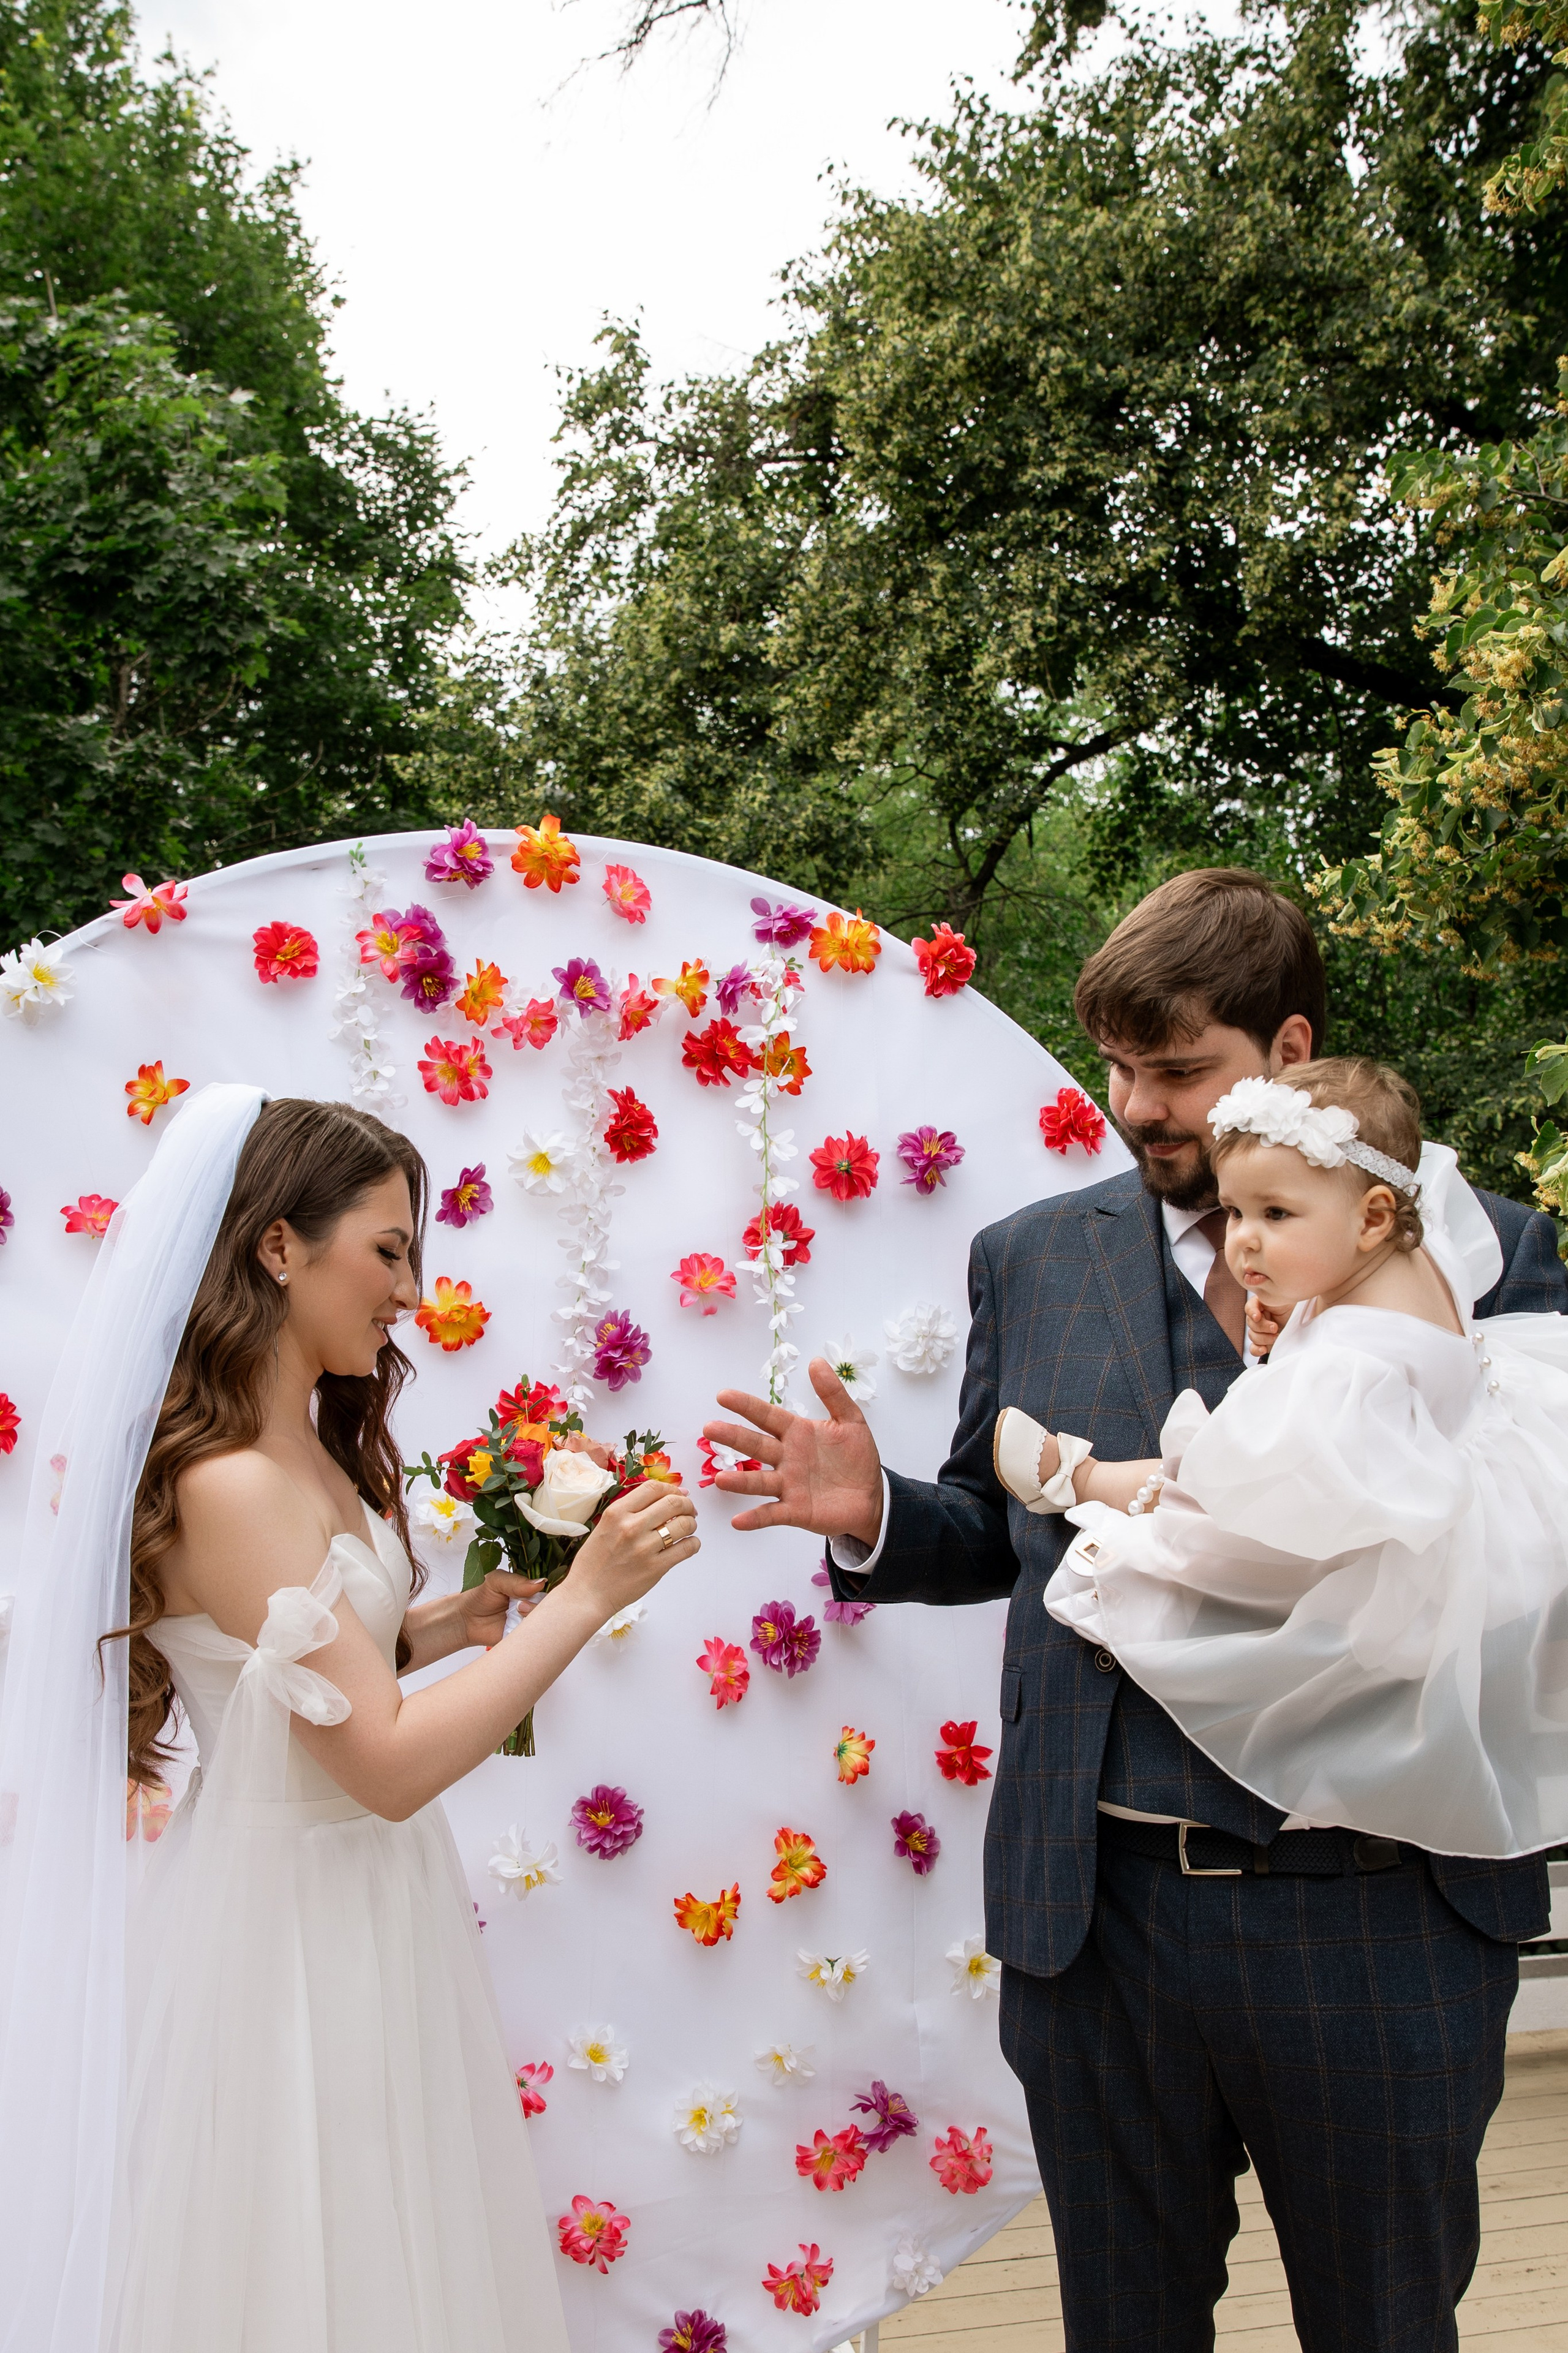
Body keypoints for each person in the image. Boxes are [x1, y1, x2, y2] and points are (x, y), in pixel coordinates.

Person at [703, 869, 1568, 2353]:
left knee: (1384, 2329)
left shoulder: (1475, 1251)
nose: (1136, 1106)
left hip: (1377, 1907)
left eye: (1176, 1069)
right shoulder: (1029, 1256)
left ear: (1286, 1049)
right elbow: (1007, 1530)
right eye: (1113, 1067)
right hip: (1102, 1915)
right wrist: (881, 1513)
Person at [0, 1088, 699, 2353]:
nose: (409, 1289)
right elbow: (378, 1762)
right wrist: (587, 1598)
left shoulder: (300, 1450)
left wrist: (455, 1621)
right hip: (293, 1934)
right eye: (387, 1249)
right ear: (280, 1246)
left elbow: (313, 1673)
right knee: (314, 2258)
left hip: (364, 1903)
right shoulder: (230, 1483)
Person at [1006, 1056, 1568, 1860]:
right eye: (1234, 1212)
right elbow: (1381, 1305)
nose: (1245, 1242)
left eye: (1275, 1212)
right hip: (1467, 1489)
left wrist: (1296, 1344)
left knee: (1205, 1502)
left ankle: (1078, 1474)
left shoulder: (1342, 1372)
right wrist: (1304, 1309)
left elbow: (1247, 1475)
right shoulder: (1428, 1244)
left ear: (1374, 1216)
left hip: (1378, 1538)